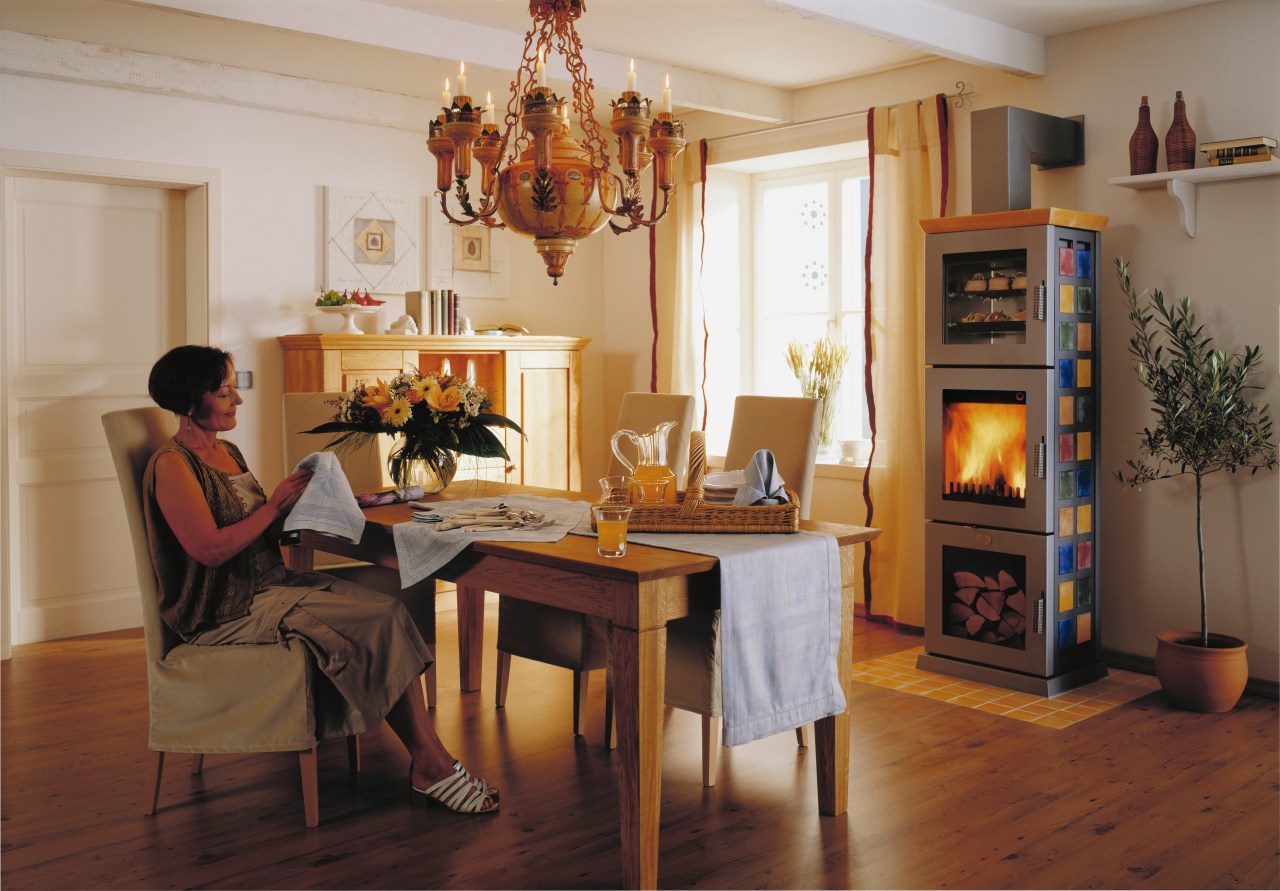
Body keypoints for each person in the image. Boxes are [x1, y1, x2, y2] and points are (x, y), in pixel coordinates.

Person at [143, 344, 497, 815]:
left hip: (271, 586)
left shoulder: (226, 450)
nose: (237, 400)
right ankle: (431, 763)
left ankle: (428, 759)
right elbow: (209, 550)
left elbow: (255, 529)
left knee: (388, 609)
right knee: (370, 625)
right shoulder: (173, 465)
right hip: (225, 609)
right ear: (190, 402)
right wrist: (274, 506)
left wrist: (314, 501)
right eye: (225, 391)